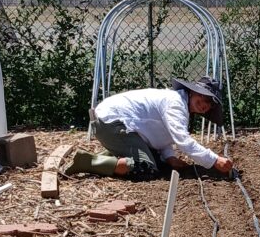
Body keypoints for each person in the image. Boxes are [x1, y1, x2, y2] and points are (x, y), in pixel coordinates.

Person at [71, 76, 233, 181]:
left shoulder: (178, 103)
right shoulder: (175, 104)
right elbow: (183, 141)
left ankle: (109, 155)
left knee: (158, 159)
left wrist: (169, 156)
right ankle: (90, 162)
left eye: (210, 103)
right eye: (203, 96)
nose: (205, 104)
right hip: (112, 122)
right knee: (146, 168)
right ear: (192, 92)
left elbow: (161, 134)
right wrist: (214, 160)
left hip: (112, 122)